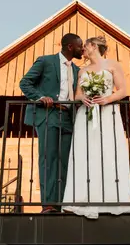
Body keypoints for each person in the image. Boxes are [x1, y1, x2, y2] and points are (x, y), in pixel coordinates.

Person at [62, 36, 130, 219]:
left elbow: (122, 90)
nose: (83, 51)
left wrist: (106, 99)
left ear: (94, 46)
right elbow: (77, 95)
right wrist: (83, 99)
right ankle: (82, 198)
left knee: (108, 151)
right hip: (86, 116)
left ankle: (112, 198)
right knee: (85, 153)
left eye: (85, 47)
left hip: (107, 114)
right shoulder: (82, 71)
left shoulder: (113, 65)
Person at [19, 33, 84, 213]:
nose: (83, 49)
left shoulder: (78, 71)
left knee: (65, 160)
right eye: (80, 46)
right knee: (49, 158)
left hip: (68, 118)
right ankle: (49, 204)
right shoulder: (46, 61)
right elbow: (25, 83)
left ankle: (63, 203)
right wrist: (40, 97)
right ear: (70, 46)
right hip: (48, 114)